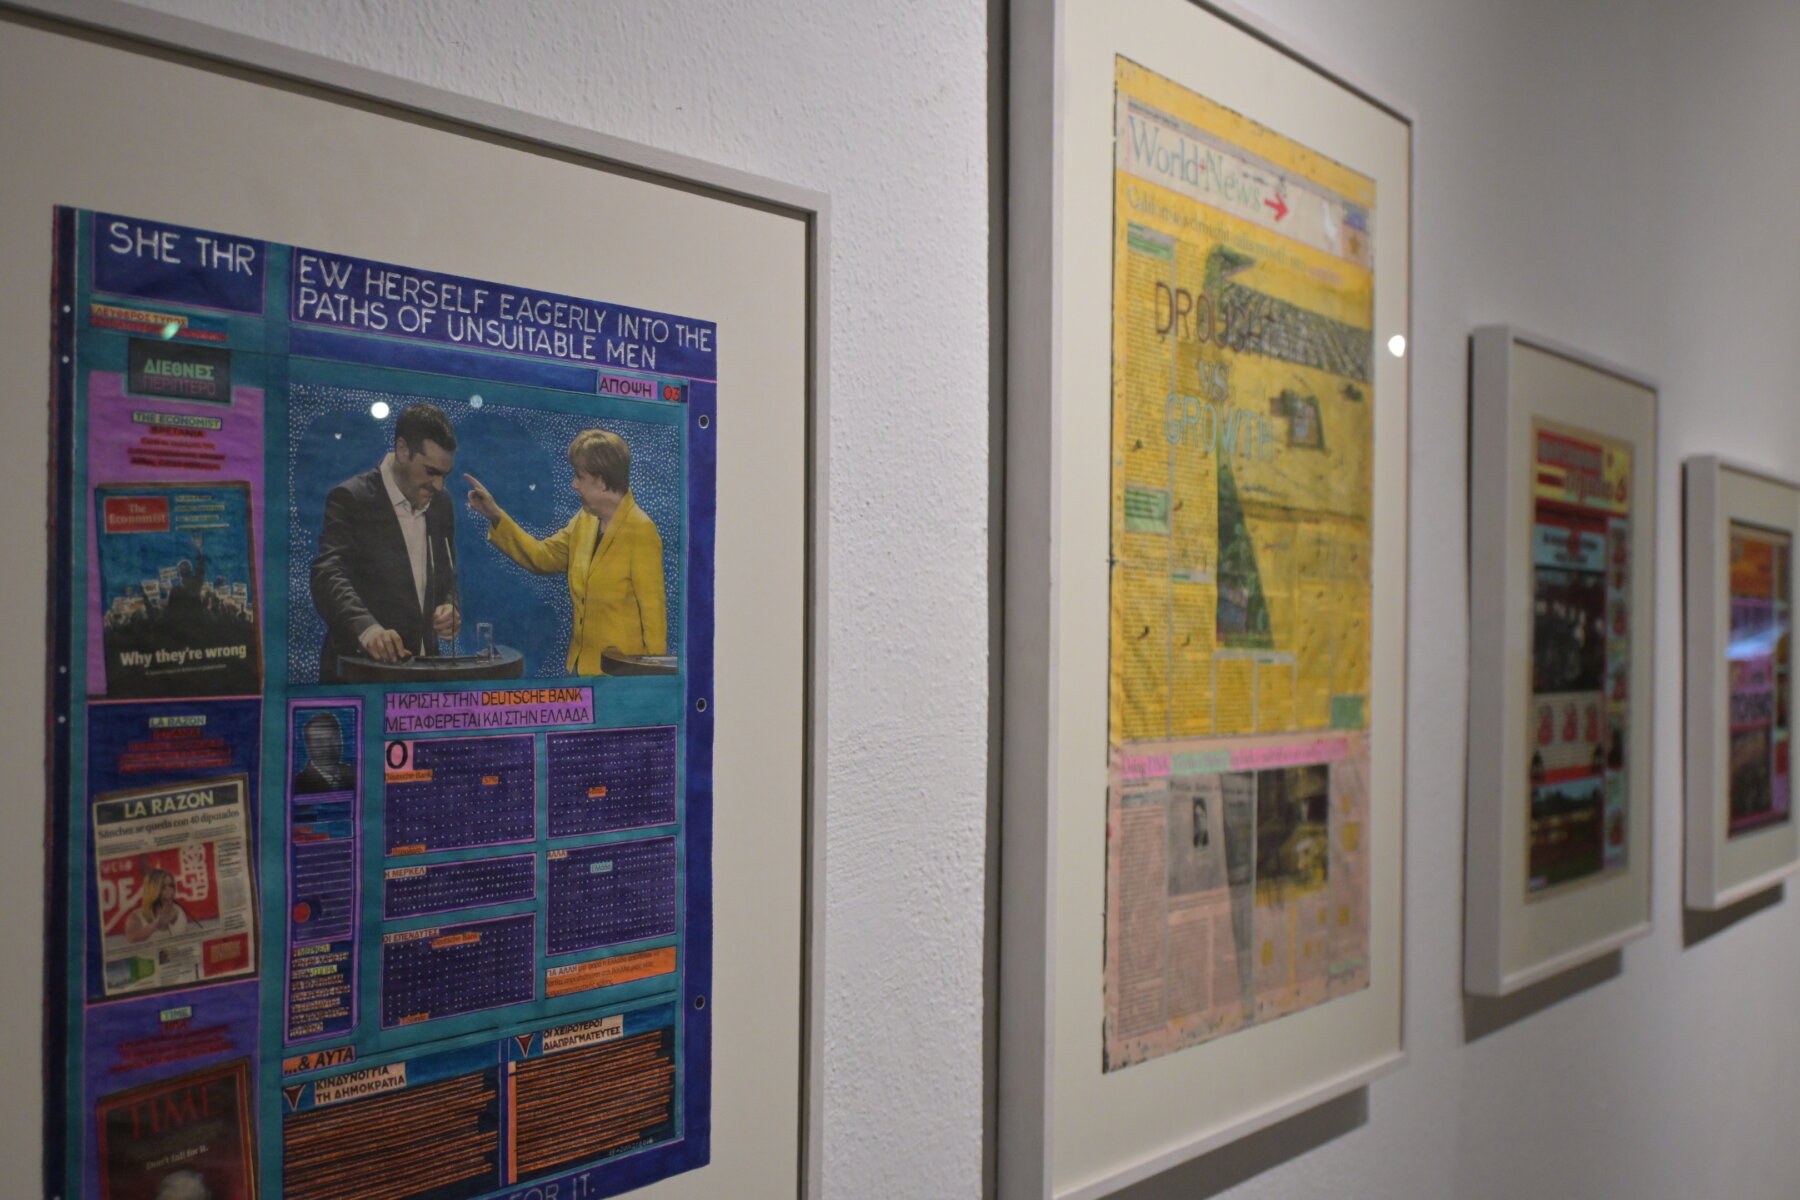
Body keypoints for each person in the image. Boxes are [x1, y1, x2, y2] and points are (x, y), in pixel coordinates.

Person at [464, 428, 666, 675]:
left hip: (621, 680)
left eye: (579, 476)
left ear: (602, 481)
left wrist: (653, 684)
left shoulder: (642, 530)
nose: (574, 484)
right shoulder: (584, 521)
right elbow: (541, 557)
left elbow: (654, 619)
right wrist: (495, 515)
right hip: (580, 670)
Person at [310, 403, 461, 681]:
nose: (439, 485)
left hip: (424, 679)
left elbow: (447, 573)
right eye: (431, 471)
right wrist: (368, 630)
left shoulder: (442, 503)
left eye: (444, 475)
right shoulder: (351, 498)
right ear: (403, 449)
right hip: (362, 676)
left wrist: (449, 607)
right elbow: (327, 574)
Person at [293, 712, 356, 794]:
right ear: (308, 746)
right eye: (319, 741)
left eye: (333, 739)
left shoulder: (355, 773)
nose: (328, 746)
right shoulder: (298, 785)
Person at [125, 868, 190, 943]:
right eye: (162, 887)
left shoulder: (179, 911)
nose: (169, 890)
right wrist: (156, 924)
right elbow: (132, 940)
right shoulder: (135, 917)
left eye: (171, 885)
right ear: (152, 890)